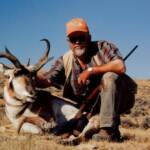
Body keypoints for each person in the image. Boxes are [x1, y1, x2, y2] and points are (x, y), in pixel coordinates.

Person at [36, 18, 137, 142]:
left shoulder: (102, 47)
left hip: (120, 99)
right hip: (84, 108)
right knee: (72, 129)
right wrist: (29, 75)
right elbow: (47, 80)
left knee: (109, 77)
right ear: (69, 42)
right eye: (73, 39)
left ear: (89, 37)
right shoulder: (65, 60)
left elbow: (120, 66)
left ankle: (108, 131)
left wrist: (91, 71)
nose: (78, 42)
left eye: (81, 38)